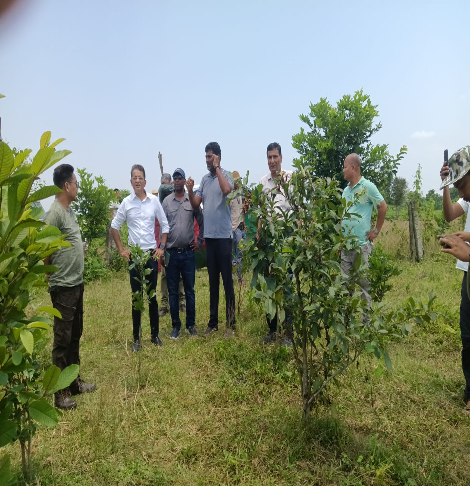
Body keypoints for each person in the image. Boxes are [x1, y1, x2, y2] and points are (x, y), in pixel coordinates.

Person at [44, 164, 96, 410]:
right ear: (66, 186)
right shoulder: (54, 213)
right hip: (63, 286)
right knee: (62, 340)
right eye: (75, 183)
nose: (77, 187)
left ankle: (74, 382)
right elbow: (45, 249)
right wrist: (49, 273)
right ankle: (59, 392)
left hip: (76, 283)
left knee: (75, 334)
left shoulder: (69, 211)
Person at [111, 164, 169, 352]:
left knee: (152, 297)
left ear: (145, 181)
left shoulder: (154, 201)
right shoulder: (126, 203)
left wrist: (161, 248)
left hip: (151, 255)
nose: (137, 180)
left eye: (140, 177)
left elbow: (165, 225)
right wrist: (122, 250)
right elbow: (114, 227)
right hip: (135, 257)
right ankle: (136, 339)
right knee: (137, 297)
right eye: (134, 177)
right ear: (131, 181)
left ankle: (155, 335)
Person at [186, 142, 236, 337]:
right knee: (213, 282)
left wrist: (217, 168)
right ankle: (213, 322)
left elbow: (226, 190)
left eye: (210, 157)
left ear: (218, 157)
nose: (207, 160)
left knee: (227, 282)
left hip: (224, 238)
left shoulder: (227, 175)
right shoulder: (205, 180)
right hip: (210, 239)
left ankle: (230, 324)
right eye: (206, 157)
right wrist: (191, 190)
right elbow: (195, 204)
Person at [439, 145, 470, 411]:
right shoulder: (468, 199)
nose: (460, 192)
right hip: (468, 276)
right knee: (467, 335)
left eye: (461, 185)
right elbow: (450, 215)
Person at [341, 153, 387, 310]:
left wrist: (376, 231)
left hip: (361, 246)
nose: (343, 170)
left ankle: (366, 321)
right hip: (345, 247)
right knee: (345, 286)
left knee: (364, 287)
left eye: (345, 167)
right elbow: (343, 215)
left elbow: (383, 206)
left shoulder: (368, 187)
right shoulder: (345, 191)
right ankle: (346, 320)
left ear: (353, 168)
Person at [162, 168, 204, 339]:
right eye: (175, 178)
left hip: (188, 253)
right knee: (172, 291)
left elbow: (201, 220)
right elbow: (162, 227)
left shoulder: (191, 200)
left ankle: (191, 325)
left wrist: (200, 241)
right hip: (171, 253)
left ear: (185, 181)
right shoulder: (166, 202)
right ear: (173, 181)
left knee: (190, 291)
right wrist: (162, 249)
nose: (177, 180)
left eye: (180, 178)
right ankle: (175, 326)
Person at [259, 142, 293, 345]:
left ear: (281, 158)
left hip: (287, 235)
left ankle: (288, 332)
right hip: (269, 237)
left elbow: (299, 209)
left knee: (287, 284)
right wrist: (259, 234)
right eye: (269, 157)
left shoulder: (291, 179)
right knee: (269, 283)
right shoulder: (263, 182)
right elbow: (262, 211)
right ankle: (272, 329)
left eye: (275, 157)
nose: (272, 161)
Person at [158, 174, 185, 316]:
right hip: (165, 242)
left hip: (175, 241)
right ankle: (164, 304)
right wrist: (174, 186)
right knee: (164, 275)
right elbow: (163, 188)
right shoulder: (163, 196)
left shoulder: (176, 199)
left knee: (179, 274)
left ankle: (182, 302)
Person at [230, 170, 246, 285]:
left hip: (241, 227)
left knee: (241, 253)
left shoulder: (240, 194)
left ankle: (239, 277)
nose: (238, 183)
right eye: (236, 181)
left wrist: (244, 225)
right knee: (235, 254)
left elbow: (242, 211)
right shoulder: (230, 196)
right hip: (233, 228)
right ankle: (238, 279)